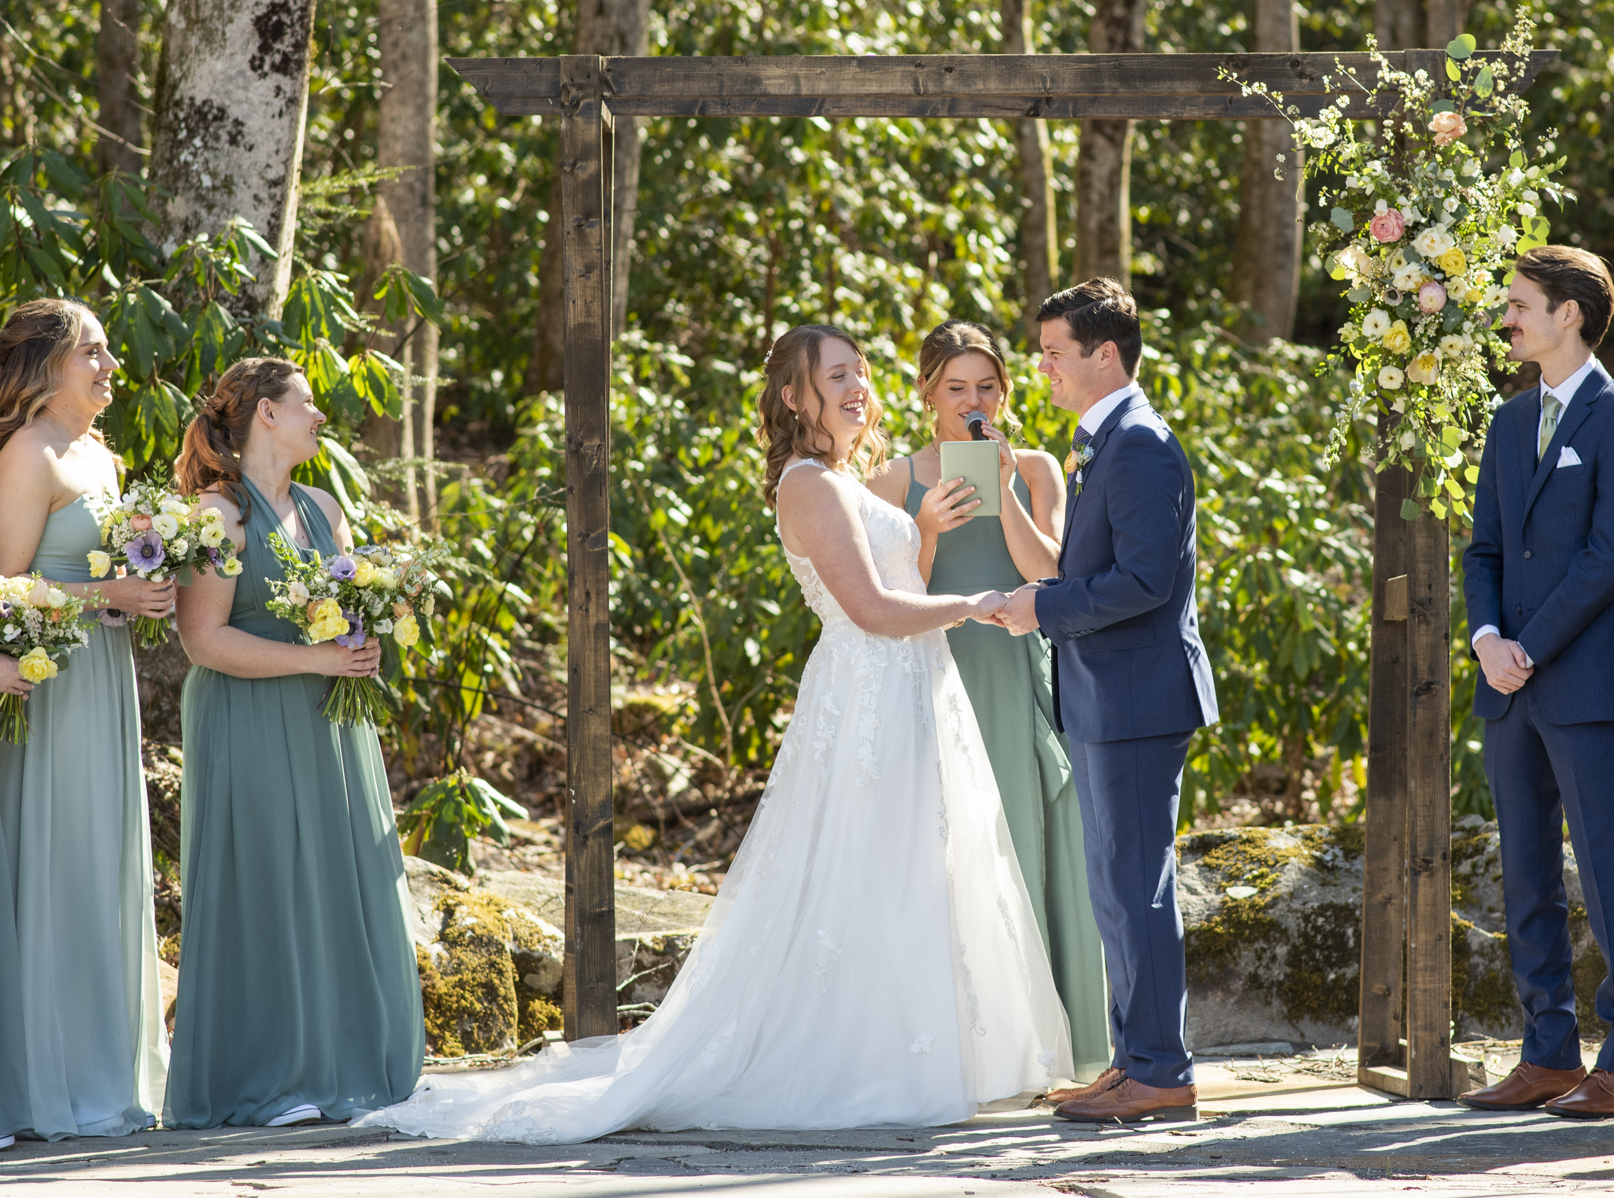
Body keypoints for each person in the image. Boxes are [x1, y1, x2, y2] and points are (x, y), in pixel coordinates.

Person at [358, 324, 1070, 1142]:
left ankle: (933, 1052)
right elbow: (871, 611)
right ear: (796, 396)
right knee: (863, 865)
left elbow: (896, 577)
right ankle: (864, 1059)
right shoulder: (810, 485)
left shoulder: (847, 478)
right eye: (835, 375)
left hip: (913, 685)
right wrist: (980, 602)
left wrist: (932, 537)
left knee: (918, 864)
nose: (856, 387)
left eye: (860, 373)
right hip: (867, 691)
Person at [167, 357, 423, 1128]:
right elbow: (202, 639)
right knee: (269, 883)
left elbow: (347, 607)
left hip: (328, 720)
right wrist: (316, 655)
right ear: (266, 416)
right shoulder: (216, 516)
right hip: (245, 718)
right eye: (306, 403)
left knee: (339, 880)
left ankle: (348, 1060)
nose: (320, 416)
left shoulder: (322, 505)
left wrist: (366, 638)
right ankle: (272, 1073)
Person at [989, 278, 1220, 1124]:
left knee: (1137, 885)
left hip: (1139, 698)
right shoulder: (1104, 442)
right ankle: (1134, 1063)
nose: (1042, 367)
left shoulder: (1142, 445)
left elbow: (1146, 581)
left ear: (1105, 354)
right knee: (1116, 889)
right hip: (1106, 694)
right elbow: (1090, 568)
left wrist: (1040, 608)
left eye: (1054, 352)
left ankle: (1161, 1071)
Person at [867, 320, 1112, 1083]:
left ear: (1004, 391)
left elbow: (1056, 571)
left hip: (1019, 672)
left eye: (987, 386)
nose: (973, 402)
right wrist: (929, 526)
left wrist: (1004, 490)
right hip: (940, 670)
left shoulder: (1039, 465)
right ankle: (964, 1049)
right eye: (956, 388)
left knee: (1037, 842)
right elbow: (888, 597)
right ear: (927, 393)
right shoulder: (893, 479)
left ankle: (1048, 1045)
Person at [1456, 247, 1614, 1119]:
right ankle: (1547, 1048)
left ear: (1569, 313)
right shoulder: (1509, 423)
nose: (1507, 317)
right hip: (1509, 679)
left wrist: (1527, 645)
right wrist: (1485, 636)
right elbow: (1485, 550)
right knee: (1527, 866)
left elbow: (1611, 559)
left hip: (1583, 677)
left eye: (1520, 304)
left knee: (1608, 860)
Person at [0, 298, 171, 1141]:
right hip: (49, 685)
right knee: (61, 864)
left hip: (106, 675)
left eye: (107, 351)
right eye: (92, 352)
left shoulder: (101, 455)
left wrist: (137, 595)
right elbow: (3, 583)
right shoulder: (28, 455)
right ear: (44, 366)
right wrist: (108, 592)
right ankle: (50, 1081)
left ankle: (111, 1072)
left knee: (106, 868)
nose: (109, 365)